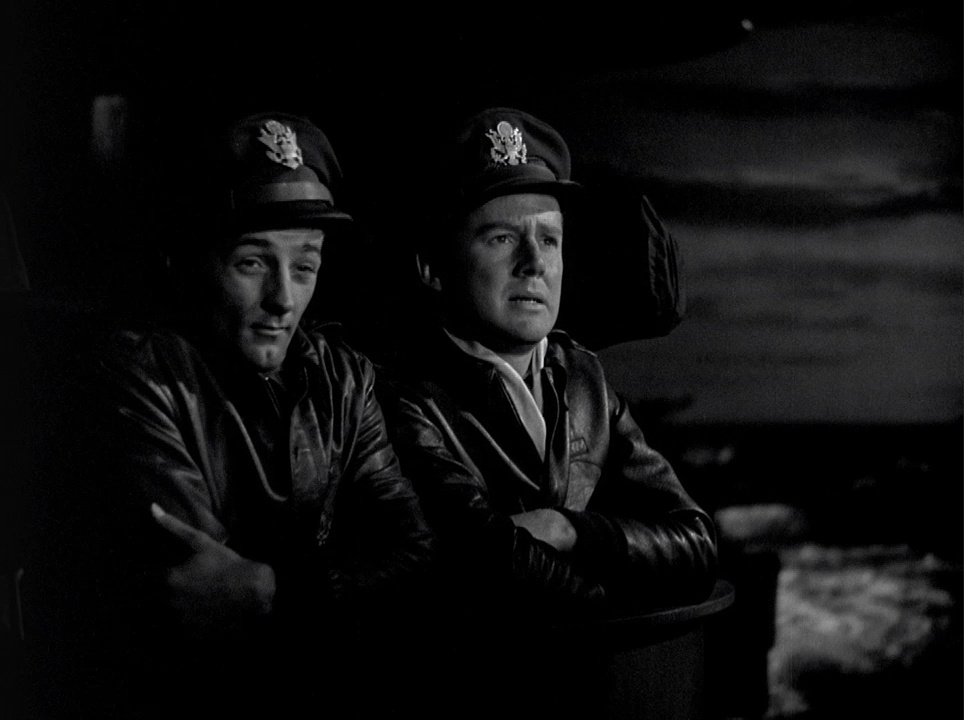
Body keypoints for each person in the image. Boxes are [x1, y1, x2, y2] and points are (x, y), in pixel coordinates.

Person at [27, 112, 434, 719]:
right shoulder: (142, 373)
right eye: (252, 263)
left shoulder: (343, 377)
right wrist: (342, 592)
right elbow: (204, 603)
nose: (284, 299)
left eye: (305, 266)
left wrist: (274, 591)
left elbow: (414, 556)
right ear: (194, 263)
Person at [378, 107, 718, 716]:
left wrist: (570, 531)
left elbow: (694, 541)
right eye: (502, 238)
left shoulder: (582, 380)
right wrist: (629, 578)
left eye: (550, 239)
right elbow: (494, 568)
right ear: (432, 266)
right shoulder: (404, 398)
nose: (534, 262)